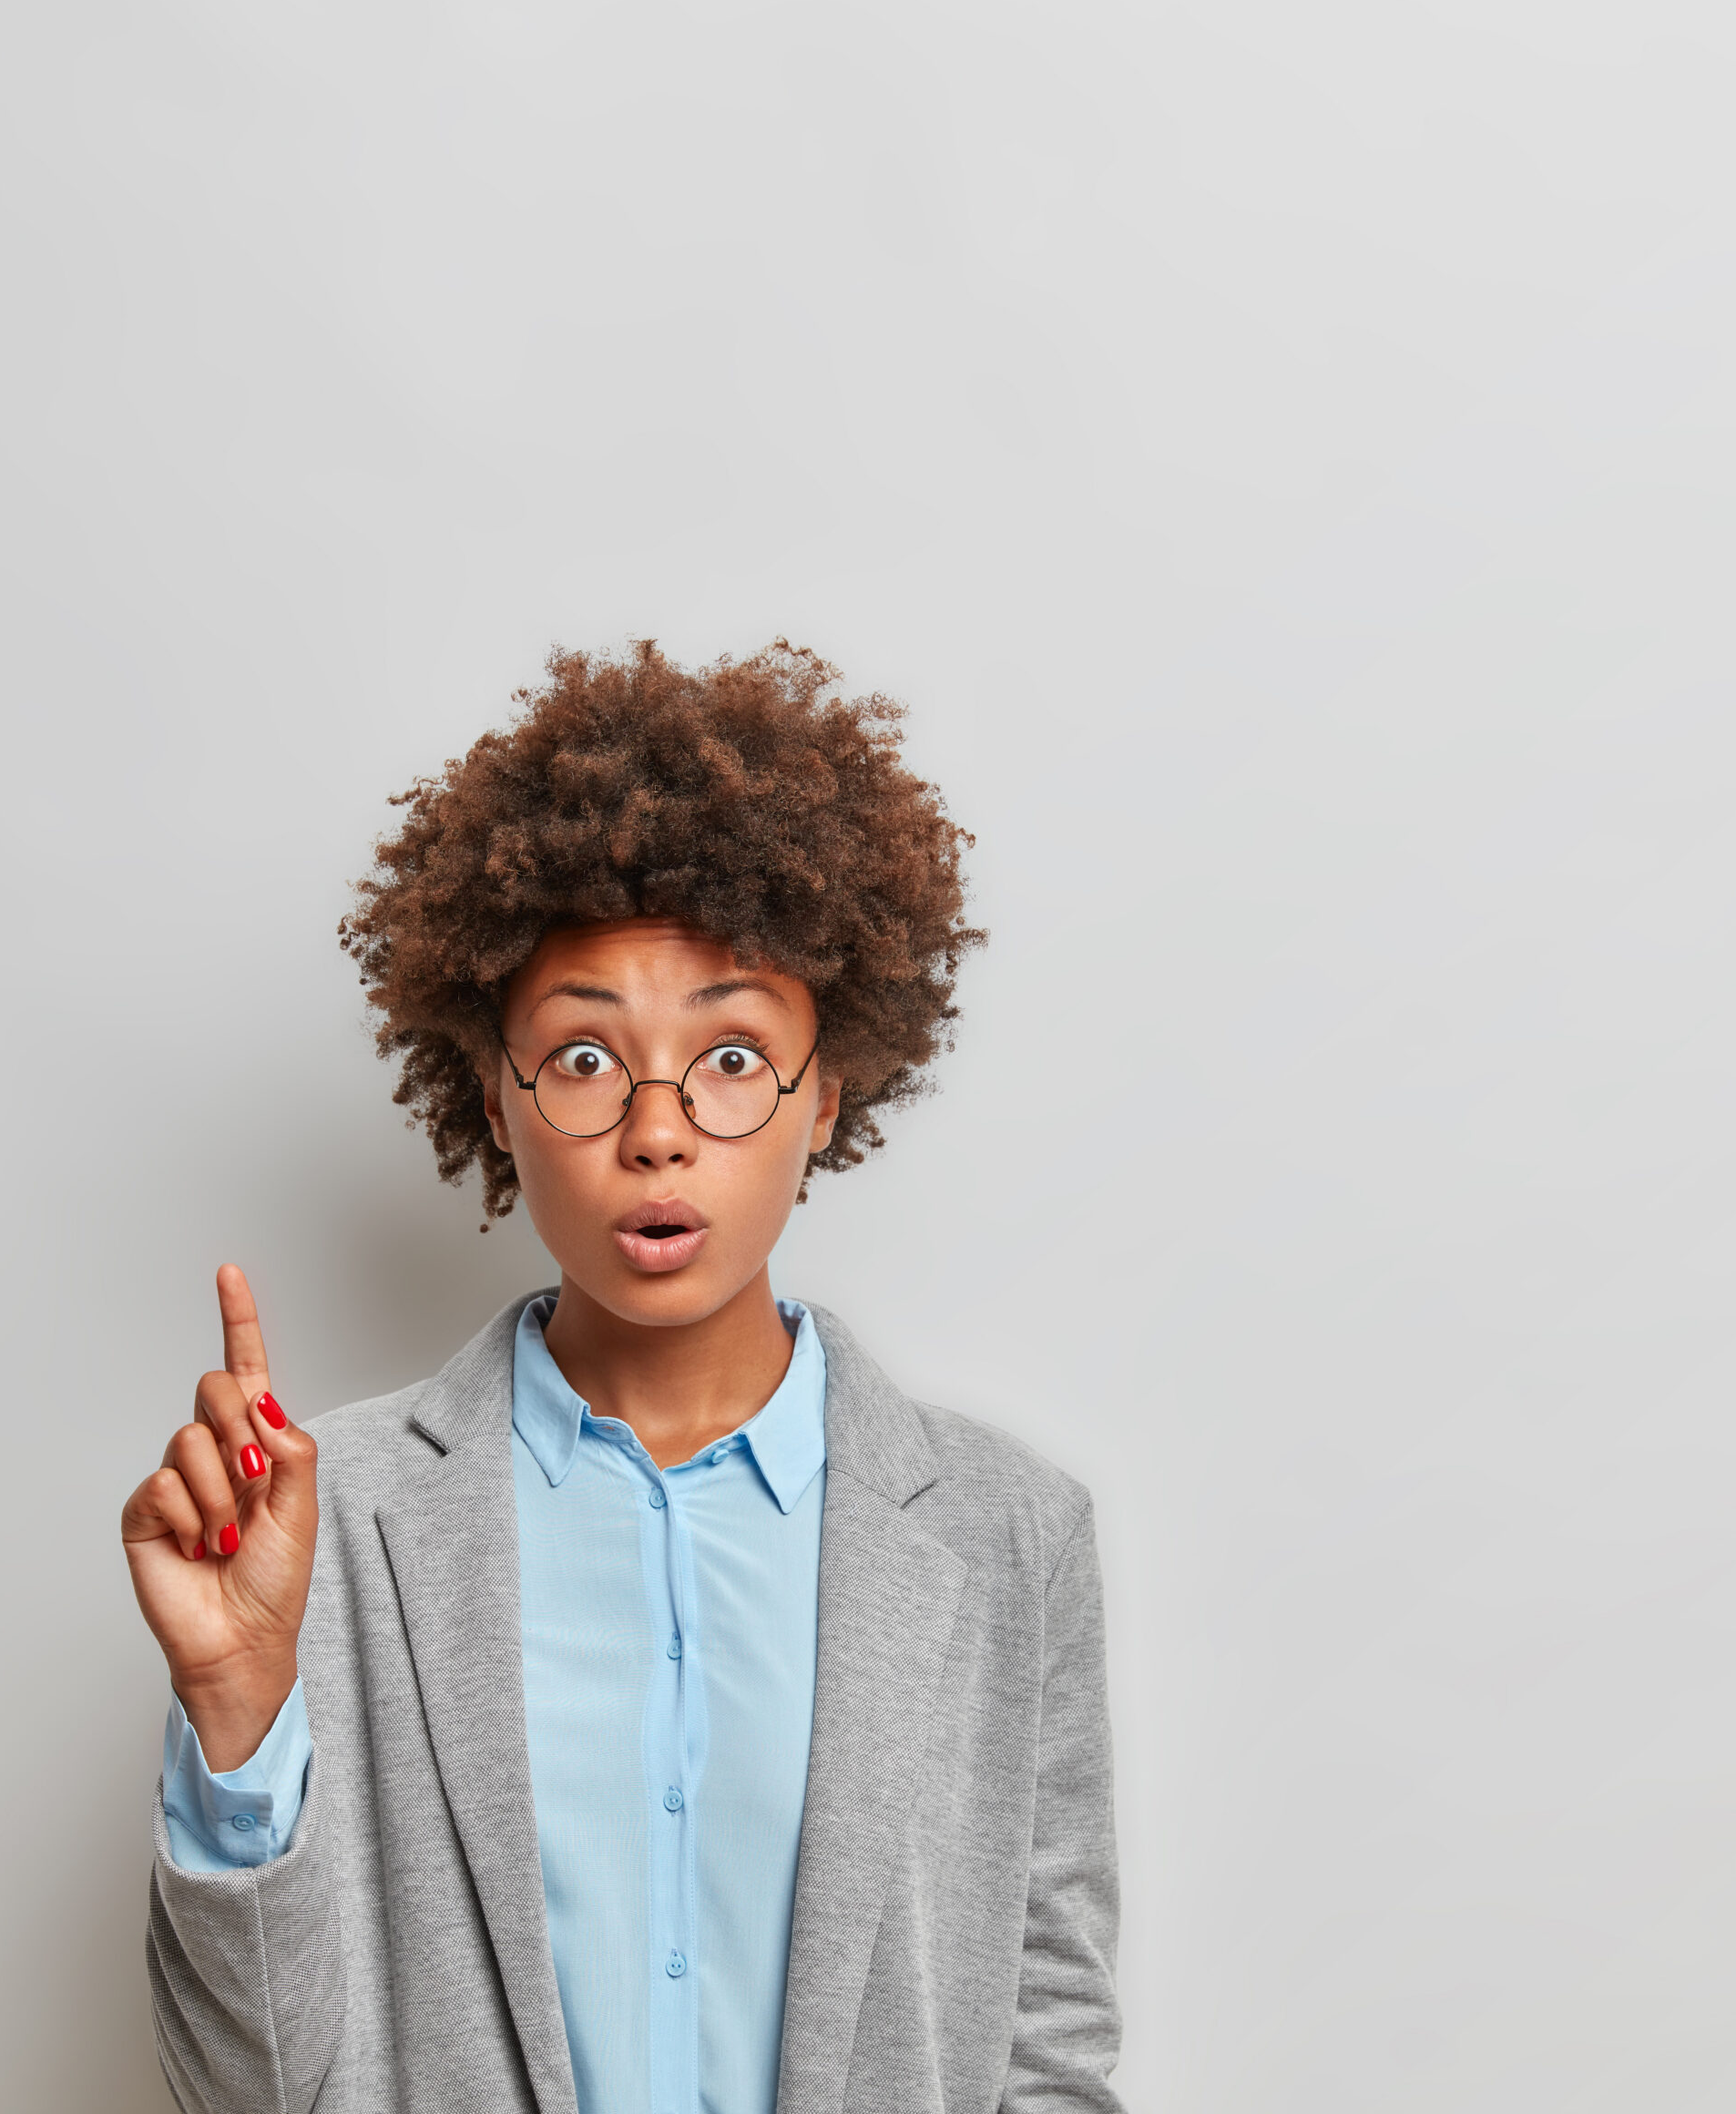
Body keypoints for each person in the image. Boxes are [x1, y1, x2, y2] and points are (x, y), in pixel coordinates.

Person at [120, 641, 1125, 2114]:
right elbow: (251, 2091)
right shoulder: (327, 1528)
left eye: (730, 1056)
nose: (658, 1133)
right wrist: (235, 1710)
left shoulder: (1007, 1533)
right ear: (495, 1099)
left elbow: (1049, 2042)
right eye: (585, 1058)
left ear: (827, 1089)